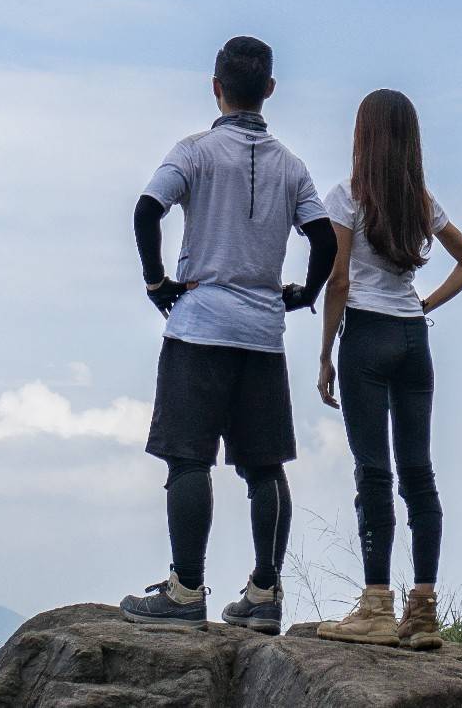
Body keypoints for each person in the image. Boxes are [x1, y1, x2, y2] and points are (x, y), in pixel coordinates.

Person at [121, 35, 339, 632]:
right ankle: (264, 595)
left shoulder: (193, 152)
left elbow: (146, 210)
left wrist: (155, 282)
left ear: (215, 86)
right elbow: (323, 238)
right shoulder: (292, 166)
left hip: (199, 326)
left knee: (188, 460)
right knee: (265, 467)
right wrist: (305, 293)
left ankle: (185, 590)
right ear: (269, 90)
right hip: (262, 334)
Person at [312, 88, 462, 652]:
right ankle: (423, 612)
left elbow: (338, 282)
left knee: (374, 473)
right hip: (413, 337)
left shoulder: (345, 199)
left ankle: (376, 605)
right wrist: (425, 305)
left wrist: (325, 351)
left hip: (365, 334)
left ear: (363, 137)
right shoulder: (422, 203)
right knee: (419, 472)